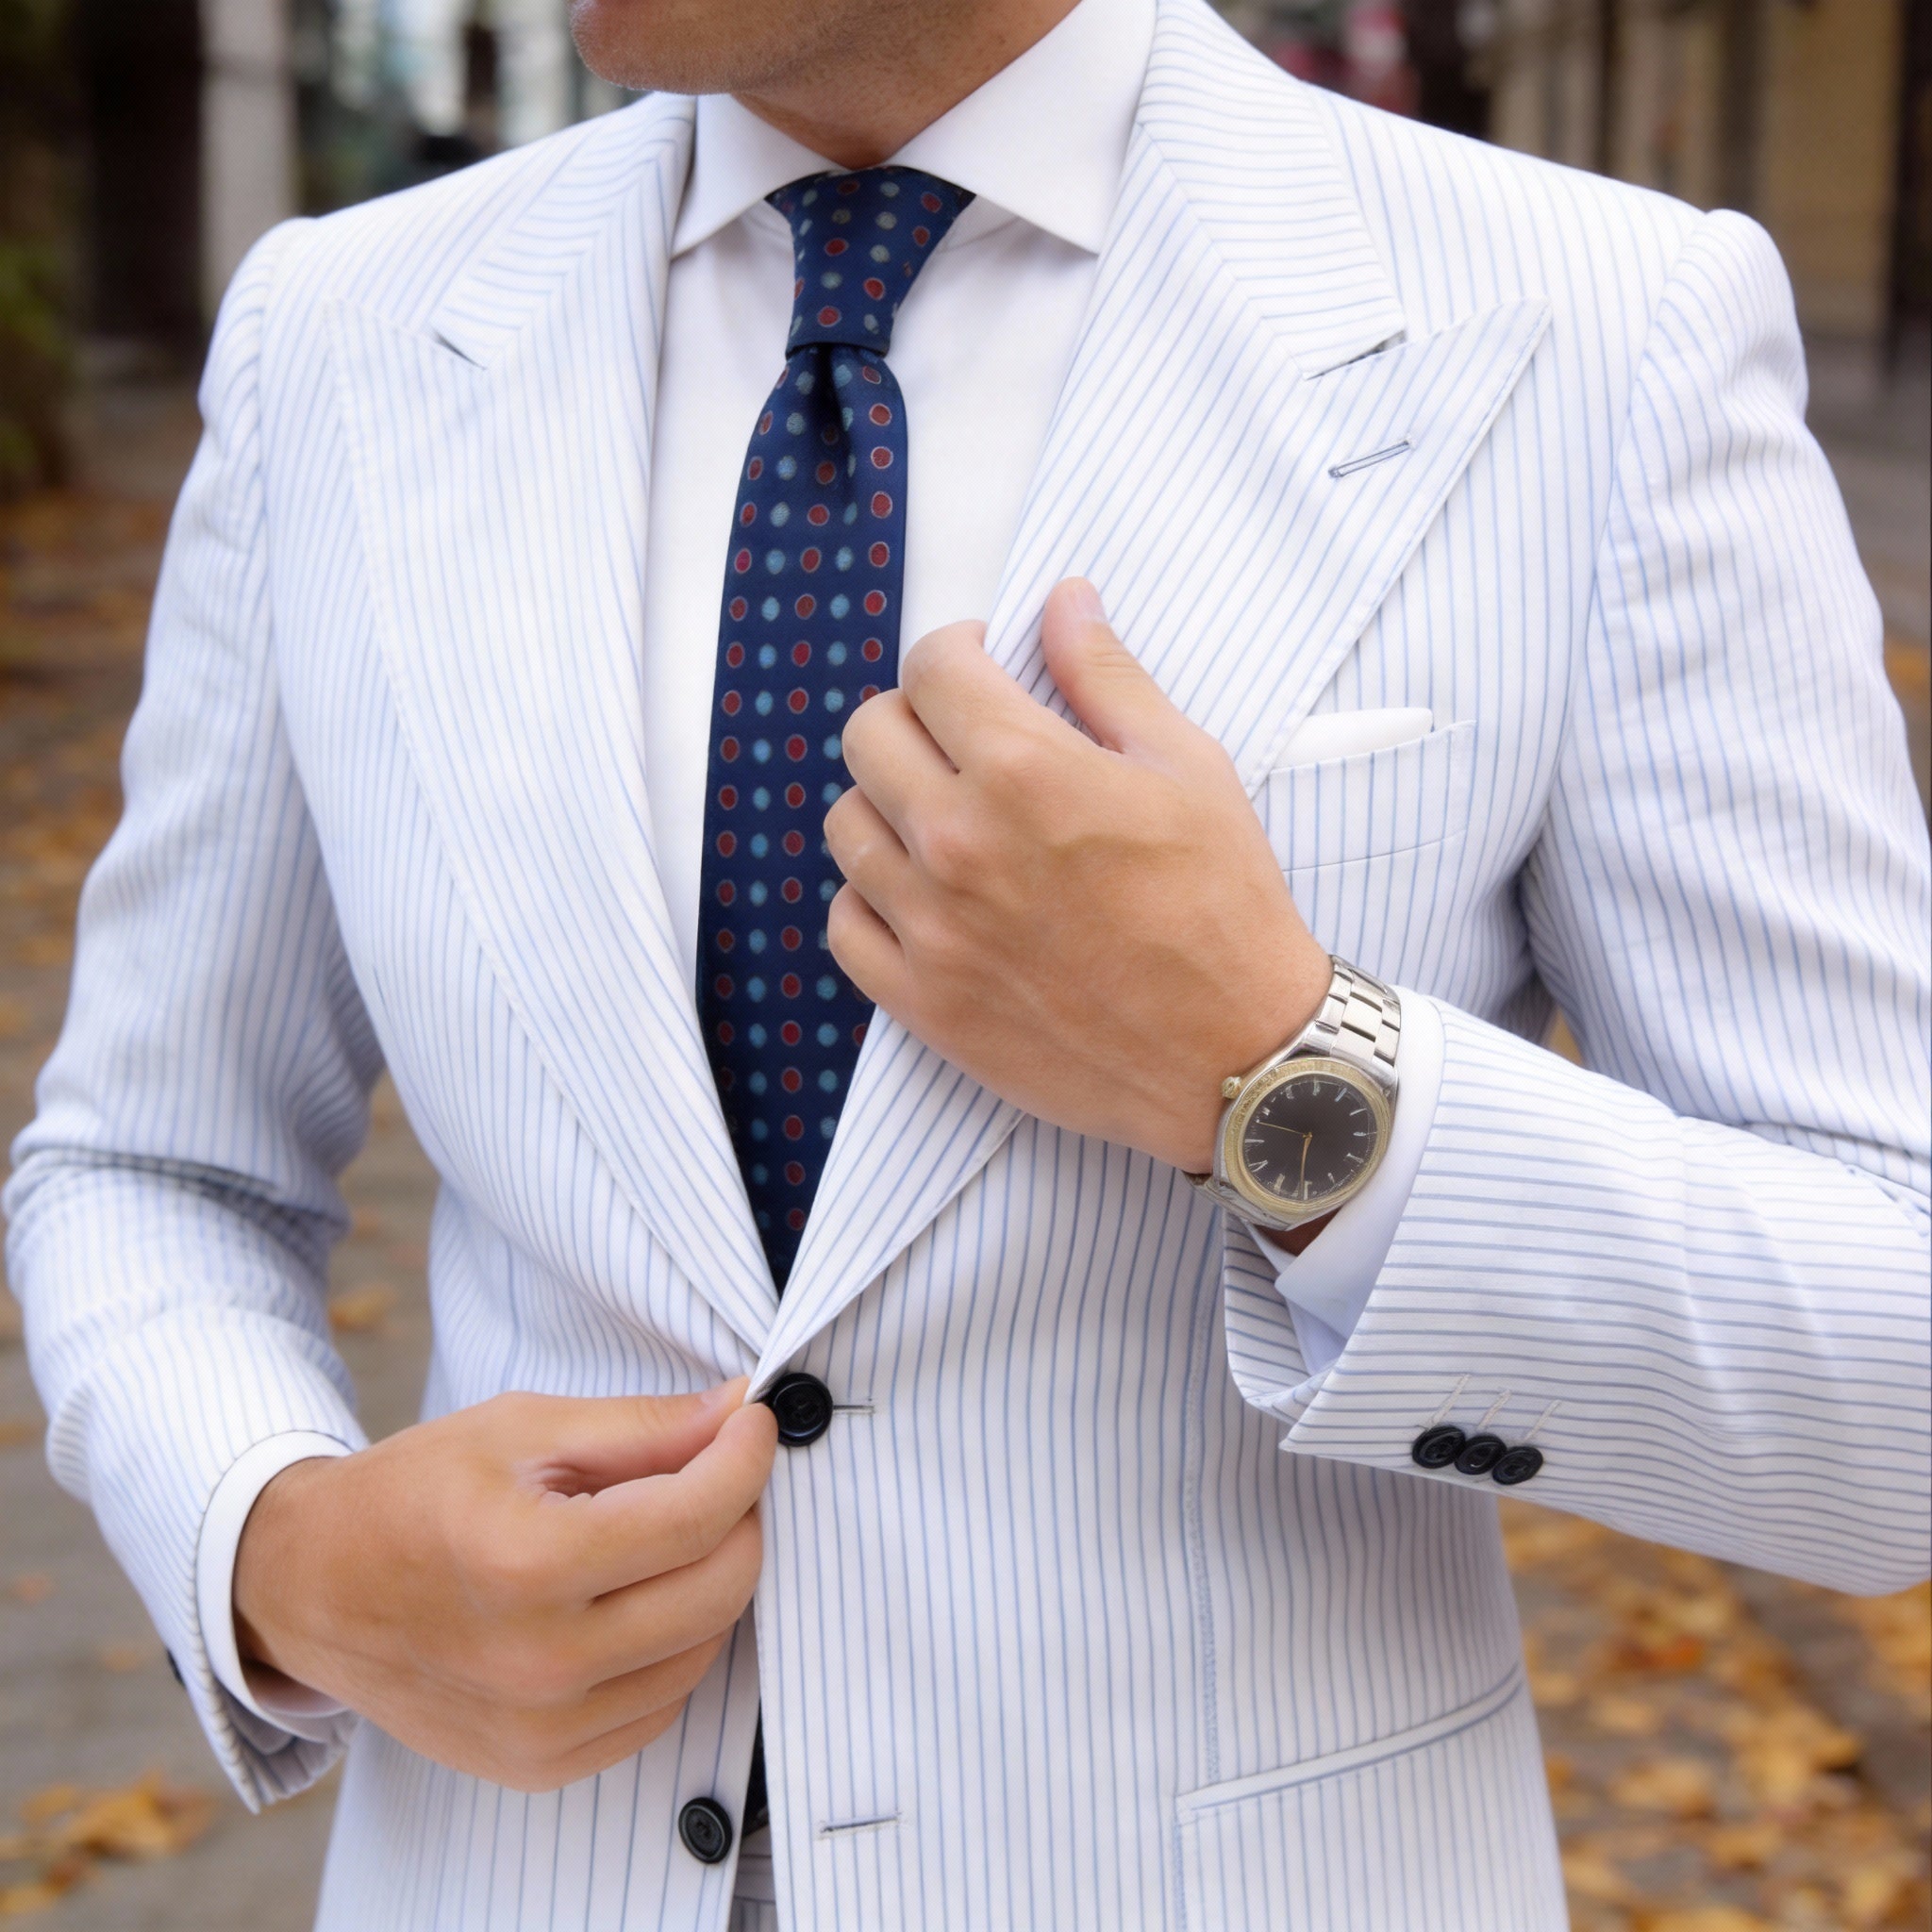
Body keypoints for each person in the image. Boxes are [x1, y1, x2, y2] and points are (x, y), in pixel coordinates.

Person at [8, 0, 1928, 1924]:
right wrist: (280, 1545)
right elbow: (148, 1160)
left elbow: (1890, 1380)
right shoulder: (336, 333)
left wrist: (1274, 1077)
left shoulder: (1595, 330)